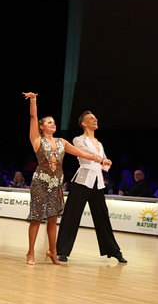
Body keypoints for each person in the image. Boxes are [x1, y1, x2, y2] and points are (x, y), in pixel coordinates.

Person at [21, 92, 110, 265]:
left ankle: (52, 252)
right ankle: (30, 253)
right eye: (49, 122)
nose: (53, 124)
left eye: (54, 122)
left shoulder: (62, 142)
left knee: (53, 219)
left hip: (56, 184)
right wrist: (33, 100)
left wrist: (101, 160)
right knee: (37, 218)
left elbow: (82, 153)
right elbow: (33, 117)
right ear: (41, 127)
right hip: (40, 182)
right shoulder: (37, 140)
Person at [56, 110, 126, 263]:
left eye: (96, 118)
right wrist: (101, 160)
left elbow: (103, 160)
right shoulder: (78, 140)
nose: (96, 120)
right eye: (92, 118)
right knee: (72, 215)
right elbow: (85, 154)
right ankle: (62, 250)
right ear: (84, 123)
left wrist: (107, 162)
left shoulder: (99, 143)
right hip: (82, 180)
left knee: (102, 217)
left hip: (97, 182)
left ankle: (113, 251)